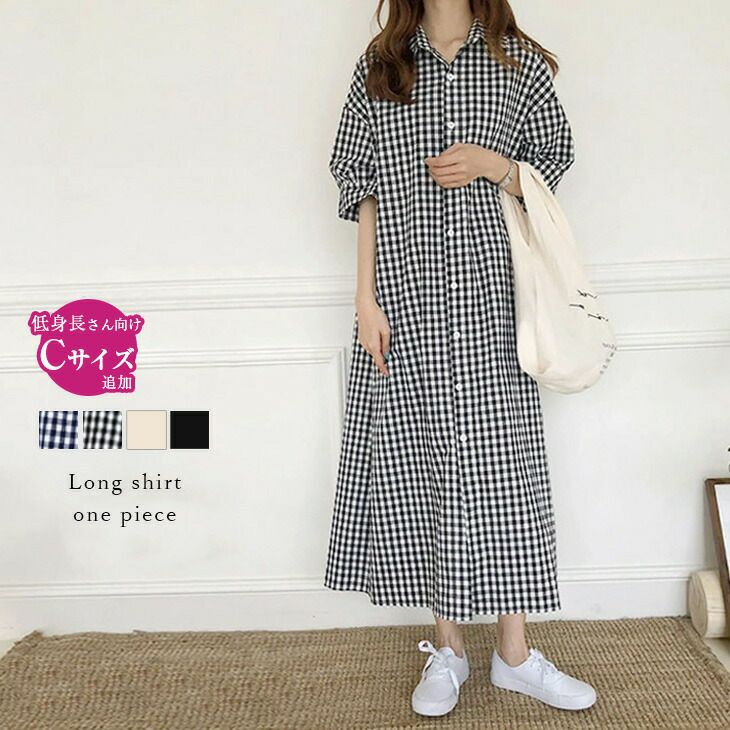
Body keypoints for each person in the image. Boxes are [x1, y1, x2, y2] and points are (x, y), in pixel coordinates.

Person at [325, 0, 597, 717]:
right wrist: (365, 298)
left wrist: (493, 165)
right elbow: (362, 189)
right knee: (421, 467)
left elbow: (552, 163)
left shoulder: (517, 62)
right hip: (406, 297)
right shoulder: (382, 66)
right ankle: (447, 648)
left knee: (504, 470)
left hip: (494, 301)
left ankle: (515, 655)